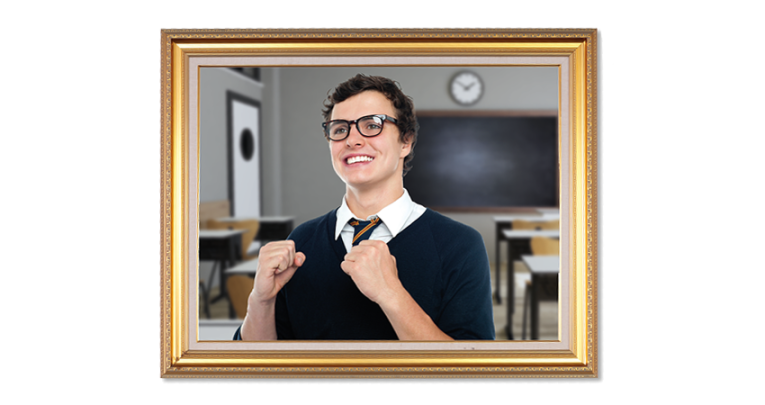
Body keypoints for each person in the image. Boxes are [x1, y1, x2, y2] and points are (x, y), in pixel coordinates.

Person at [234, 74, 494, 340]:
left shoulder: (460, 245)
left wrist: (390, 294)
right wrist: (261, 301)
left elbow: (471, 373)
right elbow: (260, 367)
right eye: (339, 129)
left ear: (406, 141)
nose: (352, 140)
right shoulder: (301, 242)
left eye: (372, 125)